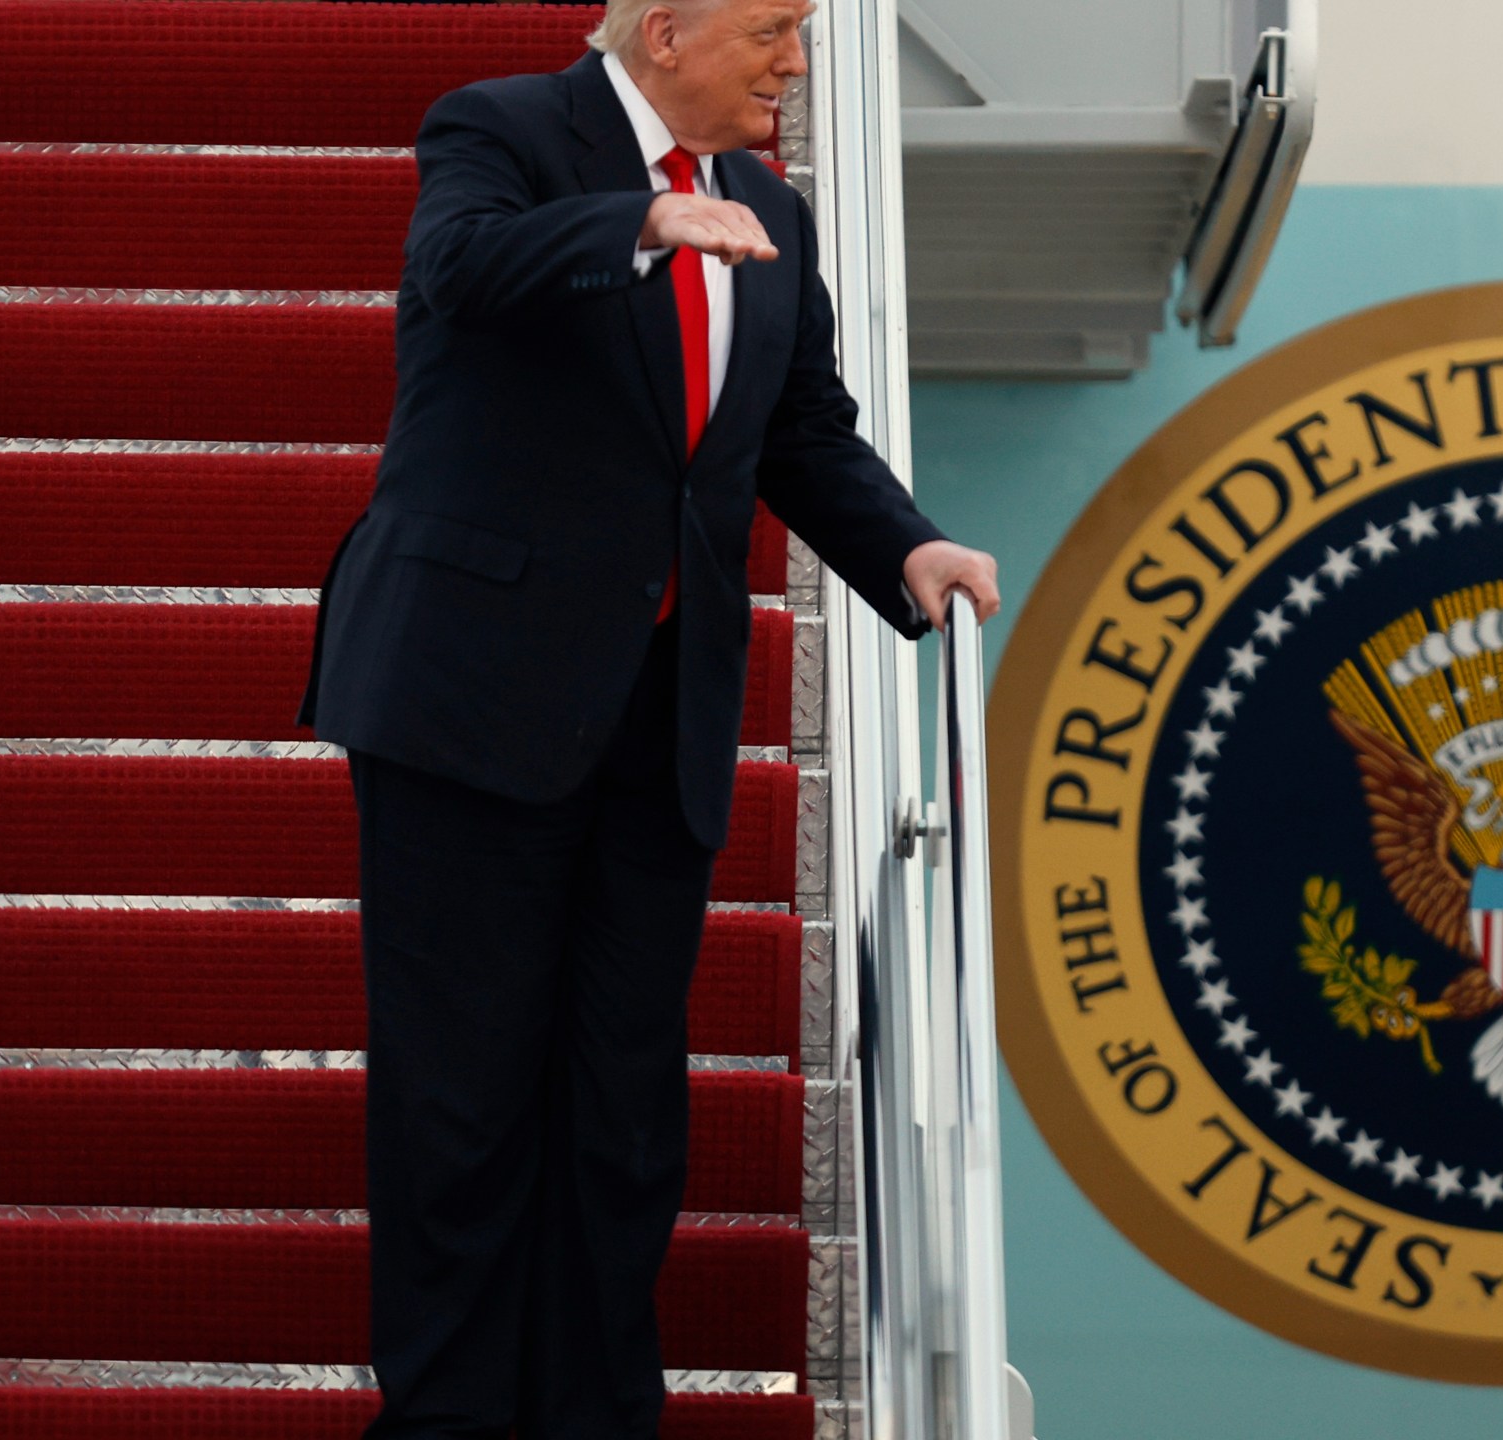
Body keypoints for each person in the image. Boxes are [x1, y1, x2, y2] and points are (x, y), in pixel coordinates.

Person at [295, 1, 999, 1434]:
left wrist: (907, 550)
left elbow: (798, 428)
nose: (797, 63)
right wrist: (640, 227)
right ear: (667, 32)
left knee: (622, 1109)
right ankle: (445, 1419)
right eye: (773, 31)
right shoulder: (501, 130)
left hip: (654, 711)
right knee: (464, 1102)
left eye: (805, 34)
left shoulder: (772, 211)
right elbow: (462, 266)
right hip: (470, 698)